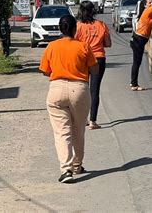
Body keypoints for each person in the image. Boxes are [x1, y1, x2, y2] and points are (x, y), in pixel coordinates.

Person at [39, 15, 98, 183]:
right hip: (79, 89)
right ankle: (77, 165)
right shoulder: (83, 46)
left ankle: (66, 170)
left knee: (62, 132)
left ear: (59, 29)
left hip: (56, 89)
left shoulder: (51, 46)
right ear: (75, 29)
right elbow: (94, 70)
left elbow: (44, 70)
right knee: (78, 129)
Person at [74, 1, 112, 130]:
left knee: (83, 90)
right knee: (94, 91)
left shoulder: (78, 26)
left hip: (83, 60)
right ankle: (92, 121)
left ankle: (83, 119)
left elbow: (74, 43)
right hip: (98, 59)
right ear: (93, 11)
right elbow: (108, 44)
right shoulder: (101, 25)